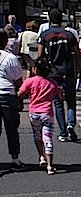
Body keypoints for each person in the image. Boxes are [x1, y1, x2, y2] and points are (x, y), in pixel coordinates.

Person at [38, 9, 81, 142]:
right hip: (69, 71)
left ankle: (63, 132)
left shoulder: (45, 35)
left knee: (58, 104)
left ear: (49, 19)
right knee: (71, 101)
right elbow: (77, 55)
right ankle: (71, 124)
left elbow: (40, 56)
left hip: (53, 73)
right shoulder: (69, 35)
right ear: (61, 19)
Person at [17, 58, 63, 174]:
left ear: (35, 69)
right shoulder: (52, 83)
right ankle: (50, 166)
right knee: (48, 138)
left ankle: (41, 156)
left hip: (34, 112)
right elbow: (60, 98)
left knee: (37, 135)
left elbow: (20, 94)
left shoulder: (30, 81)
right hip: (47, 112)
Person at [0, 29, 25, 169]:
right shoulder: (10, 58)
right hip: (6, 95)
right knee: (11, 128)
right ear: (5, 42)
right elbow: (18, 81)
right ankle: (15, 158)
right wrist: (20, 100)